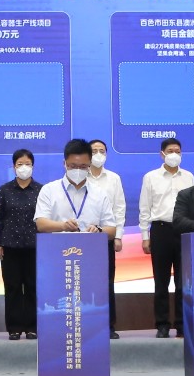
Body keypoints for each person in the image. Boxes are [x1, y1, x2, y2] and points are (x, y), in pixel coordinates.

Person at [34, 140, 120, 330]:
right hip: (58, 255)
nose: (78, 170)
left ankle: (98, 331)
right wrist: (62, 225)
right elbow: (41, 223)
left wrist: (98, 231)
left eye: (83, 167)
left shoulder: (99, 193)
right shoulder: (49, 190)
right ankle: (57, 332)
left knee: (91, 299)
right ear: (64, 163)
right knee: (60, 298)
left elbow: (111, 229)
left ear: (90, 165)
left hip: (91, 257)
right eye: (73, 166)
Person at [138, 137, 194, 338]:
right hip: (160, 230)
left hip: (184, 231)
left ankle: (181, 323)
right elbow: (145, 208)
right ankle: (162, 324)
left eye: (178, 151)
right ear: (162, 154)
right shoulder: (151, 177)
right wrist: (145, 236)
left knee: (183, 282)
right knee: (161, 281)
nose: (174, 155)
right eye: (170, 151)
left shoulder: (188, 176)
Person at [0, 148, 42, 340]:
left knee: (32, 287)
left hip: (35, 247)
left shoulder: (41, 190)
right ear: (14, 167)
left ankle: (32, 327)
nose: (24, 168)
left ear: (33, 166)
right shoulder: (4, 190)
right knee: (12, 288)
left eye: (27, 164)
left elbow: (46, 218)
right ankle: (14, 327)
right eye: (20, 164)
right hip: (9, 247)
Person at [87, 138, 126, 339]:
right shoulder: (80, 176)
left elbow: (119, 208)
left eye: (102, 151)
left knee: (106, 281)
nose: (98, 155)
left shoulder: (113, 178)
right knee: (84, 281)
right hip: (83, 238)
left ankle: (108, 325)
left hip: (106, 236)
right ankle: (86, 323)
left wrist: (118, 236)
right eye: (94, 151)